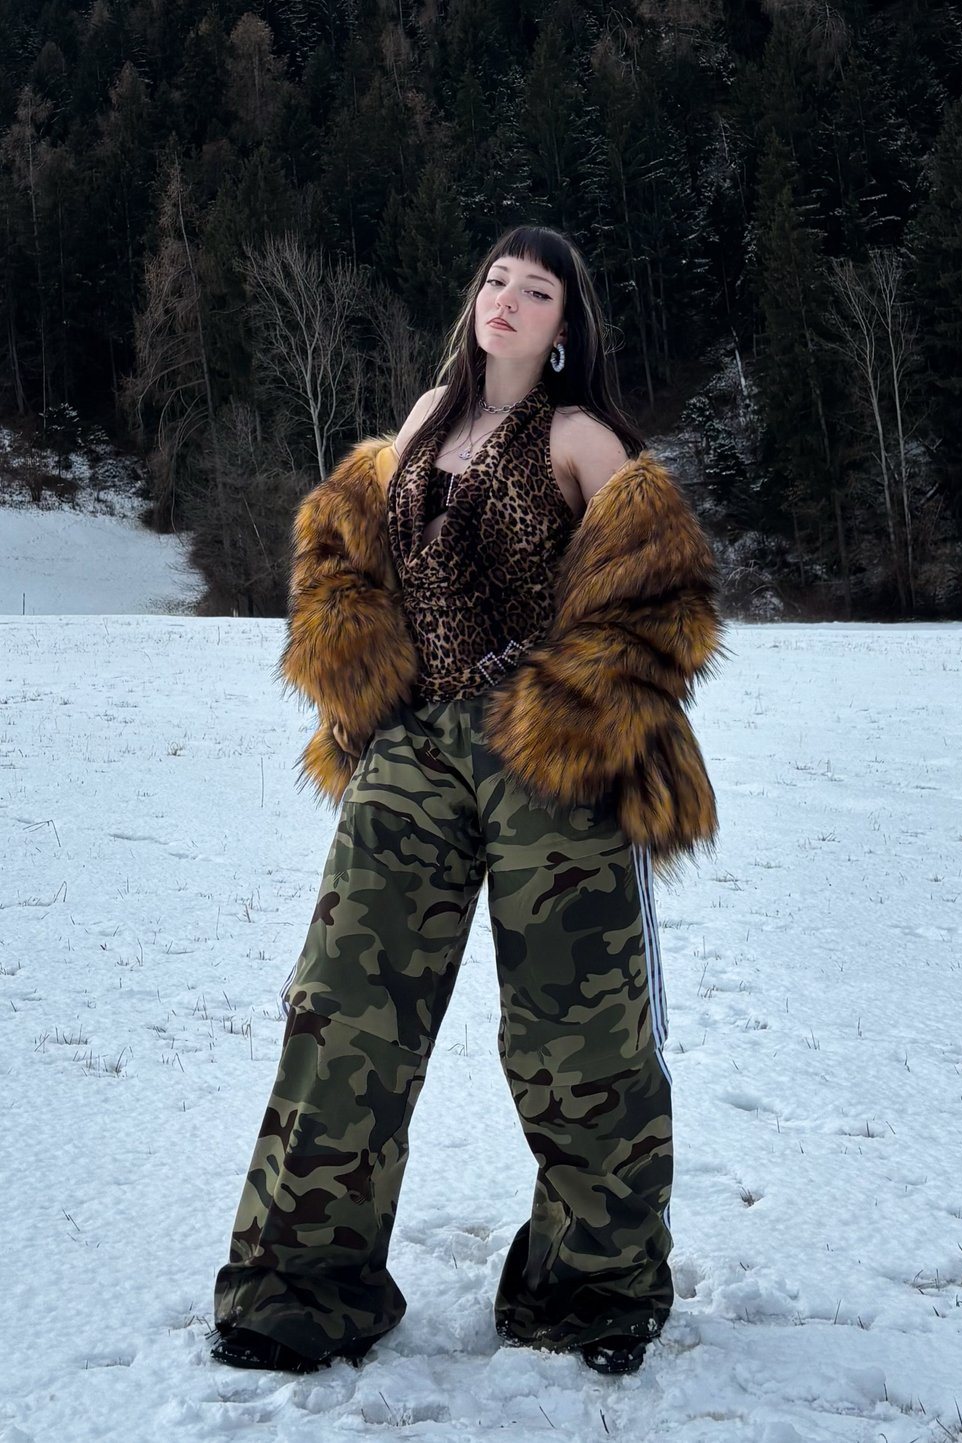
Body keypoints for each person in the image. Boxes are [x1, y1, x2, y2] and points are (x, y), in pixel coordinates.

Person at [209, 224, 725, 1379]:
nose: (507, 299)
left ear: (562, 329)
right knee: (344, 1014)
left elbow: (665, 593)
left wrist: (570, 703)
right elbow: (338, 552)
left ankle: (591, 1291)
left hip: (549, 753)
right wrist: (358, 667)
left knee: (578, 1038)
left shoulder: (582, 437)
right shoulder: (422, 422)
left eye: (536, 290)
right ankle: (297, 1286)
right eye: (496, 279)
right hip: (412, 752)